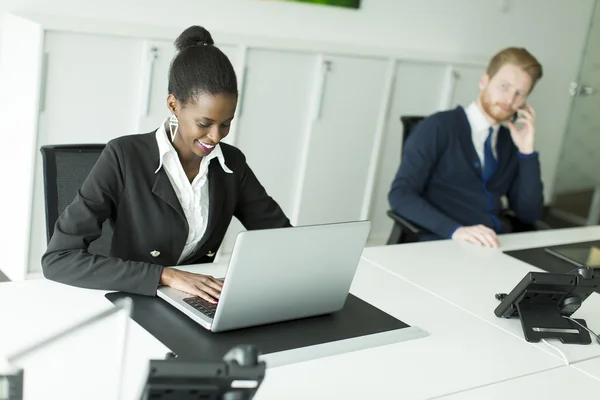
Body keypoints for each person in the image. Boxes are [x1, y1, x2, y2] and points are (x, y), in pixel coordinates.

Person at [42, 26, 291, 303]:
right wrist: (166, 275)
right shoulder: (124, 156)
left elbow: (281, 240)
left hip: (198, 302)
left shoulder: (231, 164)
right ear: (173, 105)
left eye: (226, 124)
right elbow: (58, 259)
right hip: (134, 297)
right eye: (204, 123)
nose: (216, 136)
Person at [388, 47, 544, 248]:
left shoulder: (509, 143)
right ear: (484, 81)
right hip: (442, 242)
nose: (509, 100)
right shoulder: (438, 127)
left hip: (494, 244)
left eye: (520, 94)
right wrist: (456, 230)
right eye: (504, 86)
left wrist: (527, 152)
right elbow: (400, 195)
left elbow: (529, 214)